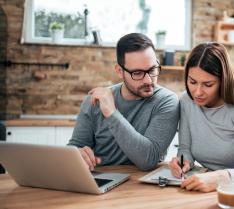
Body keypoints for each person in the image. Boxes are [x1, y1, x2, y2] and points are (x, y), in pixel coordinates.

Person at [68, 33, 179, 171]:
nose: (149, 80)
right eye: (137, 73)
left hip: (144, 186)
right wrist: (77, 154)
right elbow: (74, 149)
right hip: (99, 181)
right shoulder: (95, 101)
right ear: (120, 71)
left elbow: (148, 159)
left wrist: (112, 113)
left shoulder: (166, 101)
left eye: (152, 70)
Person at [169, 42, 234, 192]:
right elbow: (185, 148)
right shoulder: (186, 101)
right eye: (192, 82)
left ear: (222, 81)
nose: (197, 92)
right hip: (204, 186)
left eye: (208, 84)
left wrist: (222, 177)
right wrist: (183, 161)